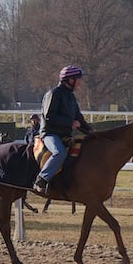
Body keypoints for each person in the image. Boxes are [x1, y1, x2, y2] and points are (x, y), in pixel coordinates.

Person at [34, 65, 92, 193]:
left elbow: (79, 119)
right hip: (49, 134)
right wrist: (70, 122)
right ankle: (42, 179)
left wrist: (92, 133)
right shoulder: (53, 94)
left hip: (64, 134)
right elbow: (49, 117)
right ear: (70, 80)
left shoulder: (71, 97)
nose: (79, 83)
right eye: (77, 79)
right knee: (60, 152)